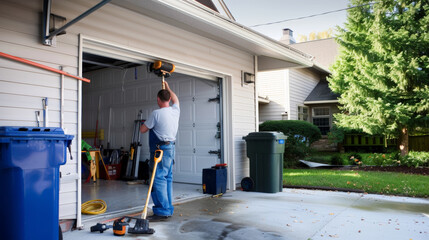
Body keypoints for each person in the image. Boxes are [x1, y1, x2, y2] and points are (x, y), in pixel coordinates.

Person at [140, 81, 180, 220]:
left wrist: (146, 123)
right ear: (169, 99)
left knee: (158, 179)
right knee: (167, 178)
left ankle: (162, 210)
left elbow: (143, 129)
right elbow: (176, 99)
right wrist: (168, 87)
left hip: (160, 151)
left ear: (158, 99)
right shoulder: (176, 111)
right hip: (171, 148)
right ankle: (168, 208)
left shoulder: (156, 114)